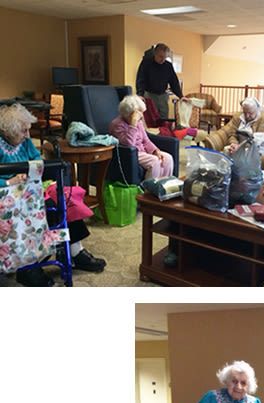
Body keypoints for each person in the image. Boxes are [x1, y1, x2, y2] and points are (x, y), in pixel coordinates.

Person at [0, 102, 106, 285]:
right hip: (7, 197)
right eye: (23, 131)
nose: (27, 136)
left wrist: (32, 170)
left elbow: (35, 159)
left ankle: (75, 251)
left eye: (28, 130)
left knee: (64, 202)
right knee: (25, 215)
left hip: (29, 192)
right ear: (9, 130)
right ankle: (28, 267)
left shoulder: (24, 142)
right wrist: (9, 181)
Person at [108, 95, 174, 179]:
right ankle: (149, 190)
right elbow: (129, 144)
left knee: (168, 158)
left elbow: (145, 140)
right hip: (131, 153)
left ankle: (164, 186)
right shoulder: (117, 124)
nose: (142, 115)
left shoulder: (139, 122)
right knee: (155, 162)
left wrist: (155, 151)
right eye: (139, 112)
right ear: (129, 114)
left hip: (143, 152)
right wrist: (133, 124)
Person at [135, 43, 188, 121]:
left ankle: (163, 133)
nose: (162, 59)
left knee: (164, 119)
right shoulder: (146, 63)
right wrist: (140, 94)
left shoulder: (168, 66)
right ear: (155, 54)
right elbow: (140, 79)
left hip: (163, 96)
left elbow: (174, 82)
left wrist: (181, 96)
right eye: (160, 56)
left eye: (165, 57)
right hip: (150, 95)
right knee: (151, 119)